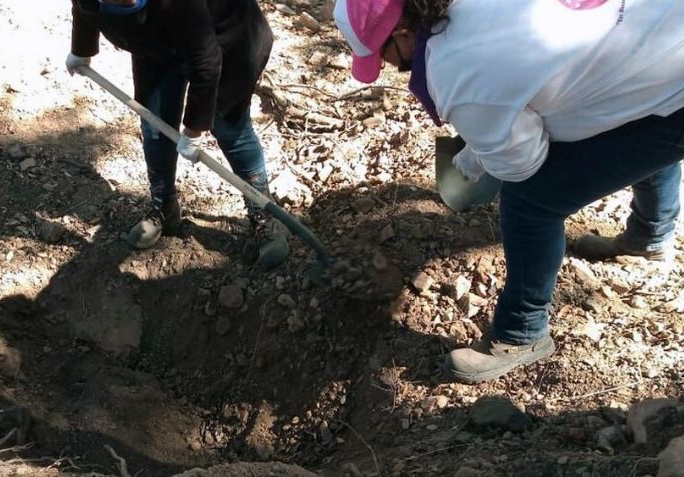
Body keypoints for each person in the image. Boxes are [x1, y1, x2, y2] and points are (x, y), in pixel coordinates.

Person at [334, 0, 684, 382]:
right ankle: (649, 235)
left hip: (673, 83)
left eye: (382, 55)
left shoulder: (455, 69)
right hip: (659, 32)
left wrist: (487, 150)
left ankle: (522, 333)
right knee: (634, 107)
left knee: (531, 201)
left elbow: (522, 166)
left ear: (402, 33)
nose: (387, 67)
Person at [66, 0, 289, 269]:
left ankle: (264, 214)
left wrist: (194, 129)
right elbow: (83, 8)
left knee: (229, 126)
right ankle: (164, 206)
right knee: (155, 124)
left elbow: (206, 62)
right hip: (159, 43)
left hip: (227, 39)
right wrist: (81, 50)